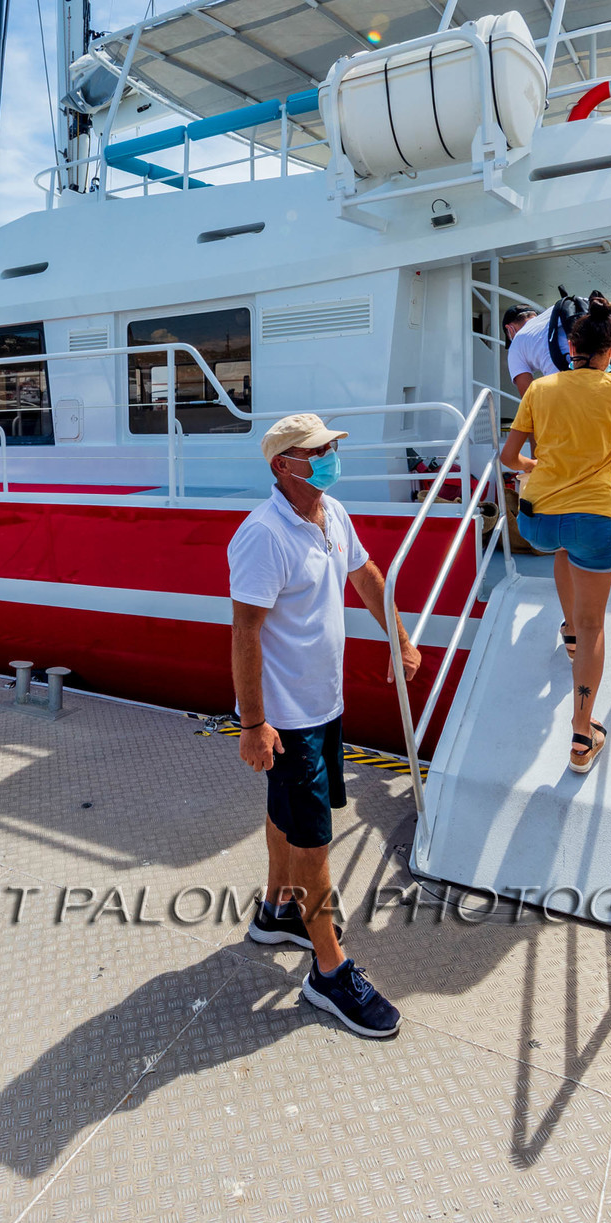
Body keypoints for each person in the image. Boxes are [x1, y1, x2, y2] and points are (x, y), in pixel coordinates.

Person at [229, 412, 421, 1040]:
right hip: (287, 718)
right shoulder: (263, 535)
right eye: (318, 451)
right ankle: (329, 971)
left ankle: (278, 910)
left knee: (287, 812)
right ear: (283, 464)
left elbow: (365, 575)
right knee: (313, 837)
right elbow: (246, 633)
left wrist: (398, 637)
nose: (331, 456)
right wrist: (254, 723)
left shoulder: (330, 513)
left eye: (331, 447)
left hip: (324, 705)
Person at [499, 300, 611, 775]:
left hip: (537, 522)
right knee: (593, 625)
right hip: (594, 520)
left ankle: (568, 631)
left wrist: (534, 465)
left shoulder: (539, 389)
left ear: (571, 345)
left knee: (563, 550)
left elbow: (509, 458)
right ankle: (582, 736)